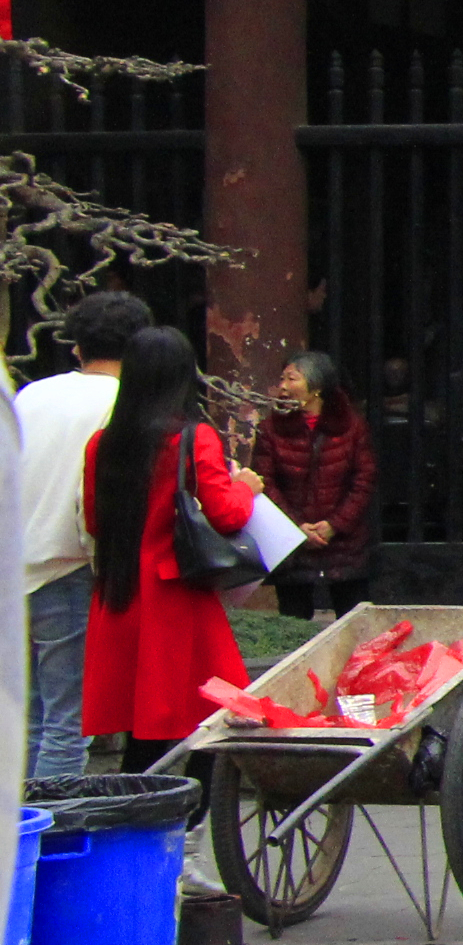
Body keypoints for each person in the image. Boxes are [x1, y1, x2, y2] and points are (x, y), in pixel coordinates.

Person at [80, 325, 267, 774]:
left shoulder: (102, 444)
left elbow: (93, 522)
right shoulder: (193, 437)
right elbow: (225, 514)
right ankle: (191, 828)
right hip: (177, 600)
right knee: (206, 721)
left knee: (141, 735)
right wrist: (245, 488)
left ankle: (139, 826)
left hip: (121, 598)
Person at [17, 291, 147, 780]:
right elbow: (91, 503)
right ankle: (53, 838)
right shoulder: (124, 405)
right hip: (72, 567)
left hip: (16, 568)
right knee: (68, 724)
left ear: (77, 347)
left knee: (30, 718)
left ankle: (20, 835)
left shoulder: (33, 395)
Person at [252, 350, 377, 620]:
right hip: (293, 543)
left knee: (355, 623)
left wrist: (335, 525)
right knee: (293, 623)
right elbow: (265, 483)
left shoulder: (352, 427)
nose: (283, 387)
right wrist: (296, 528)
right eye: (282, 379)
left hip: (345, 545)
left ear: (317, 389)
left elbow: (364, 480)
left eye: (292, 379)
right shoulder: (270, 429)